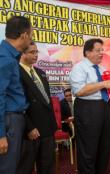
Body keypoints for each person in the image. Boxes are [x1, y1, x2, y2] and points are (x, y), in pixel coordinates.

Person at [69, 38, 110, 174]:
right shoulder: (79, 68)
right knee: (89, 148)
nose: (101, 53)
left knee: (104, 146)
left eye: (102, 50)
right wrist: (102, 84)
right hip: (88, 108)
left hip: (105, 107)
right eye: (98, 50)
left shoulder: (102, 68)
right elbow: (79, 91)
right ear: (88, 52)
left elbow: (109, 88)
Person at [17, 42, 57, 174]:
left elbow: (47, 101)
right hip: (30, 131)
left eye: (36, 52)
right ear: (22, 53)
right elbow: (17, 103)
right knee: (25, 168)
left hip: (47, 129)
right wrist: (29, 127)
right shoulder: (16, 73)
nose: (35, 55)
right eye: (32, 52)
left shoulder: (41, 73)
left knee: (47, 167)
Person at [0, 16, 32, 174]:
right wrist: (0, 135)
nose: (31, 39)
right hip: (8, 121)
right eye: (31, 35)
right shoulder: (5, 59)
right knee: (7, 168)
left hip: (13, 120)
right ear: (24, 35)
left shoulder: (10, 56)